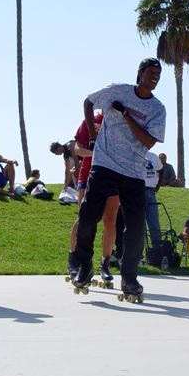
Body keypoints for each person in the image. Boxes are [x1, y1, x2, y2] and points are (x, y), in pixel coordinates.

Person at [71, 58, 166, 302]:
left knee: (134, 227)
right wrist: (92, 135)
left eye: (158, 73)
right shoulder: (118, 91)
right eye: (151, 72)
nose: (155, 76)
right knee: (86, 217)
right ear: (140, 73)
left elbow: (148, 141)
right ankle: (84, 266)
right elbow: (89, 101)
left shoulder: (158, 109)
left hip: (133, 172)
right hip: (104, 164)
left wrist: (125, 115)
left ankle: (129, 278)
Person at [67, 113, 121, 288]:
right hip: (90, 173)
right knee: (84, 218)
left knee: (110, 220)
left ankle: (105, 263)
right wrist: (96, 153)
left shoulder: (122, 121)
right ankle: (75, 258)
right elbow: (77, 148)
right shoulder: (92, 120)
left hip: (113, 176)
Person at [144, 150, 163, 251]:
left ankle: (157, 249)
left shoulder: (153, 156)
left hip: (150, 190)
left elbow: (161, 170)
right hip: (138, 190)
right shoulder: (133, 153)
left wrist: (158, 186)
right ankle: (140, 251)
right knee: (139, 223)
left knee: (154, 221)